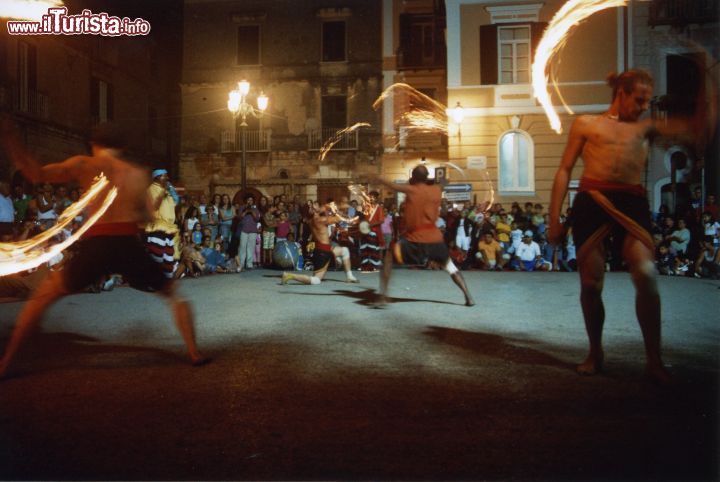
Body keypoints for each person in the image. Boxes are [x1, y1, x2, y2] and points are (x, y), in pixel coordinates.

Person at [0, 120, 209, 379]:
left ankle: (6, 363)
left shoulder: (86, 165)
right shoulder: (136, 173)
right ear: (123, 145)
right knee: (173, 294)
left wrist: (11, 138)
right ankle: (193, 352)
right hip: (126, 243)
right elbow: (144, 216)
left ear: (93, 143)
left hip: (98, 244)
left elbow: (35, 173)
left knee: (43, 298)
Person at [547, 69, 711, 383]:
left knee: (646, 275)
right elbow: (564, 170)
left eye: (647, 101)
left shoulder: (646, 128)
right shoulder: (587, 124)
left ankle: (654, 360)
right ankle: (595, 353)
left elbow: (691, 131)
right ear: (621, 93)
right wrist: (553, 220)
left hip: (632, 202)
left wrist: (706, 106)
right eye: (638, 100)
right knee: (590, 285)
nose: (642, 107)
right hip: (592, 199)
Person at [371, 164, 475, 308]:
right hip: (435, 238)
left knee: (388, 257)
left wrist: (378, 178)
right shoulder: (436, 190)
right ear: (427, 177)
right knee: (450, 266)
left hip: (415, 239)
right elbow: (443, 183)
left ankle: (382, 297)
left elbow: (393, 186)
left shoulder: (412, 190)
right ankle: (468, 296)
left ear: (413, 177)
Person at [281, 201, 359, 285]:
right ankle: (289, 275)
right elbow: (337, 219)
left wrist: (330, 207)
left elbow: (324, 210)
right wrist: (336, 211)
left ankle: (350, 277)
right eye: (314, 206)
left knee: (344, 251)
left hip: (324, 249)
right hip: (323, 252)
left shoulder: (312, 220)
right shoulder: (320, 220)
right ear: (314, 211)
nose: (317, 206)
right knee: (316, 280)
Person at [145, 169, 179, 278]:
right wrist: (162, 193)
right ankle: (152, 279)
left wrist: (172, 192)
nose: (167, 178)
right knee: (157, 256)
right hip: (158, 227)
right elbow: (154, 206)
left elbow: (176, 203)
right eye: (165, 176)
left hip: (169, 228)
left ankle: (165, 280)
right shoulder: (151, 189)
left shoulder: (166, 190)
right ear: (157, 177)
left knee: (168, 256)